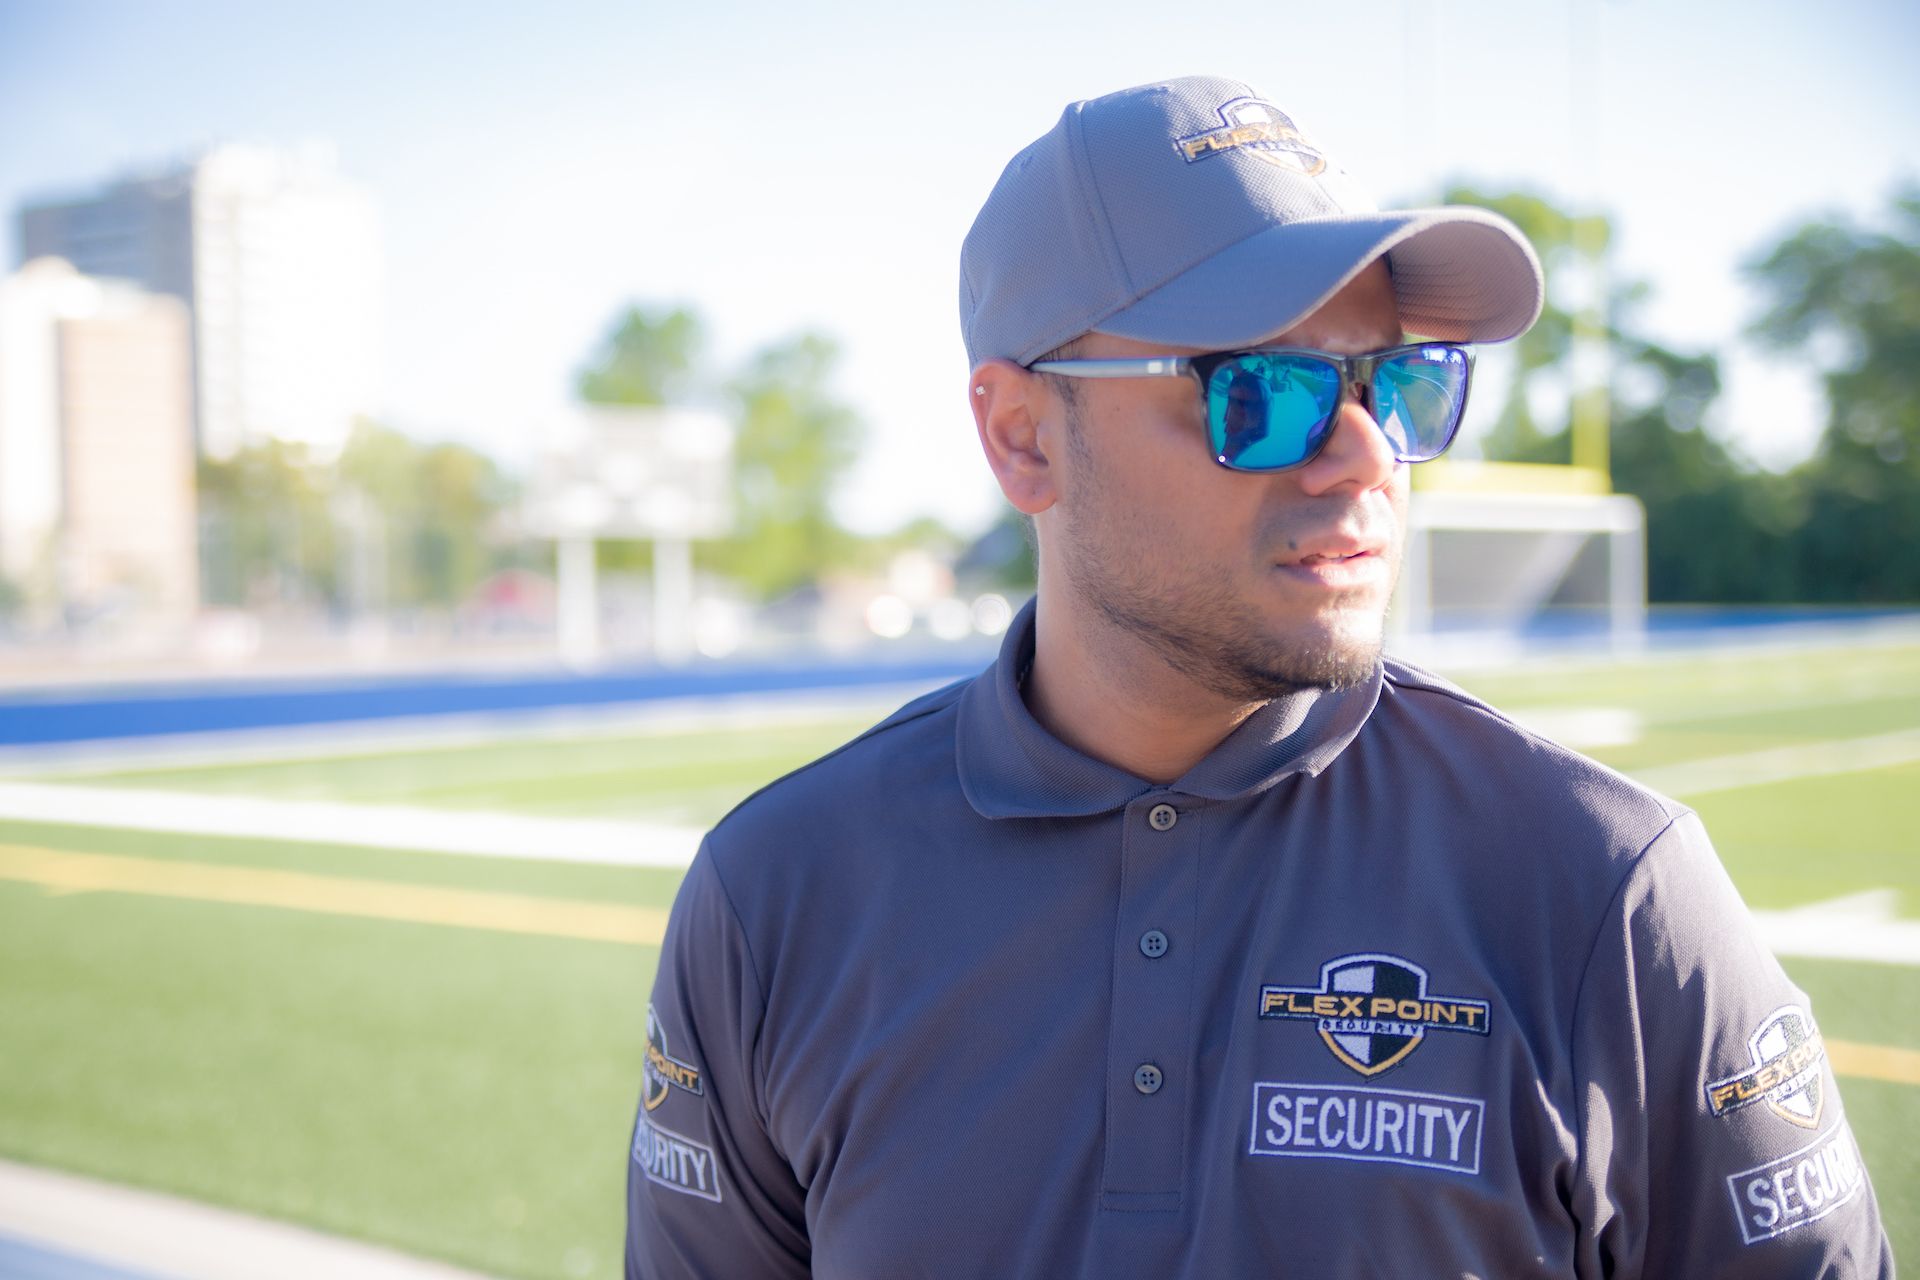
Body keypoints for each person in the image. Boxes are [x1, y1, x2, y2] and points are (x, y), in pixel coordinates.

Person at [625, 76, 1893, 1278]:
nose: (1364, 456)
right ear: (1022, 436)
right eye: (1262, 388)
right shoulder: (777, 894)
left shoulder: (1606, 890)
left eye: (1399, 381)